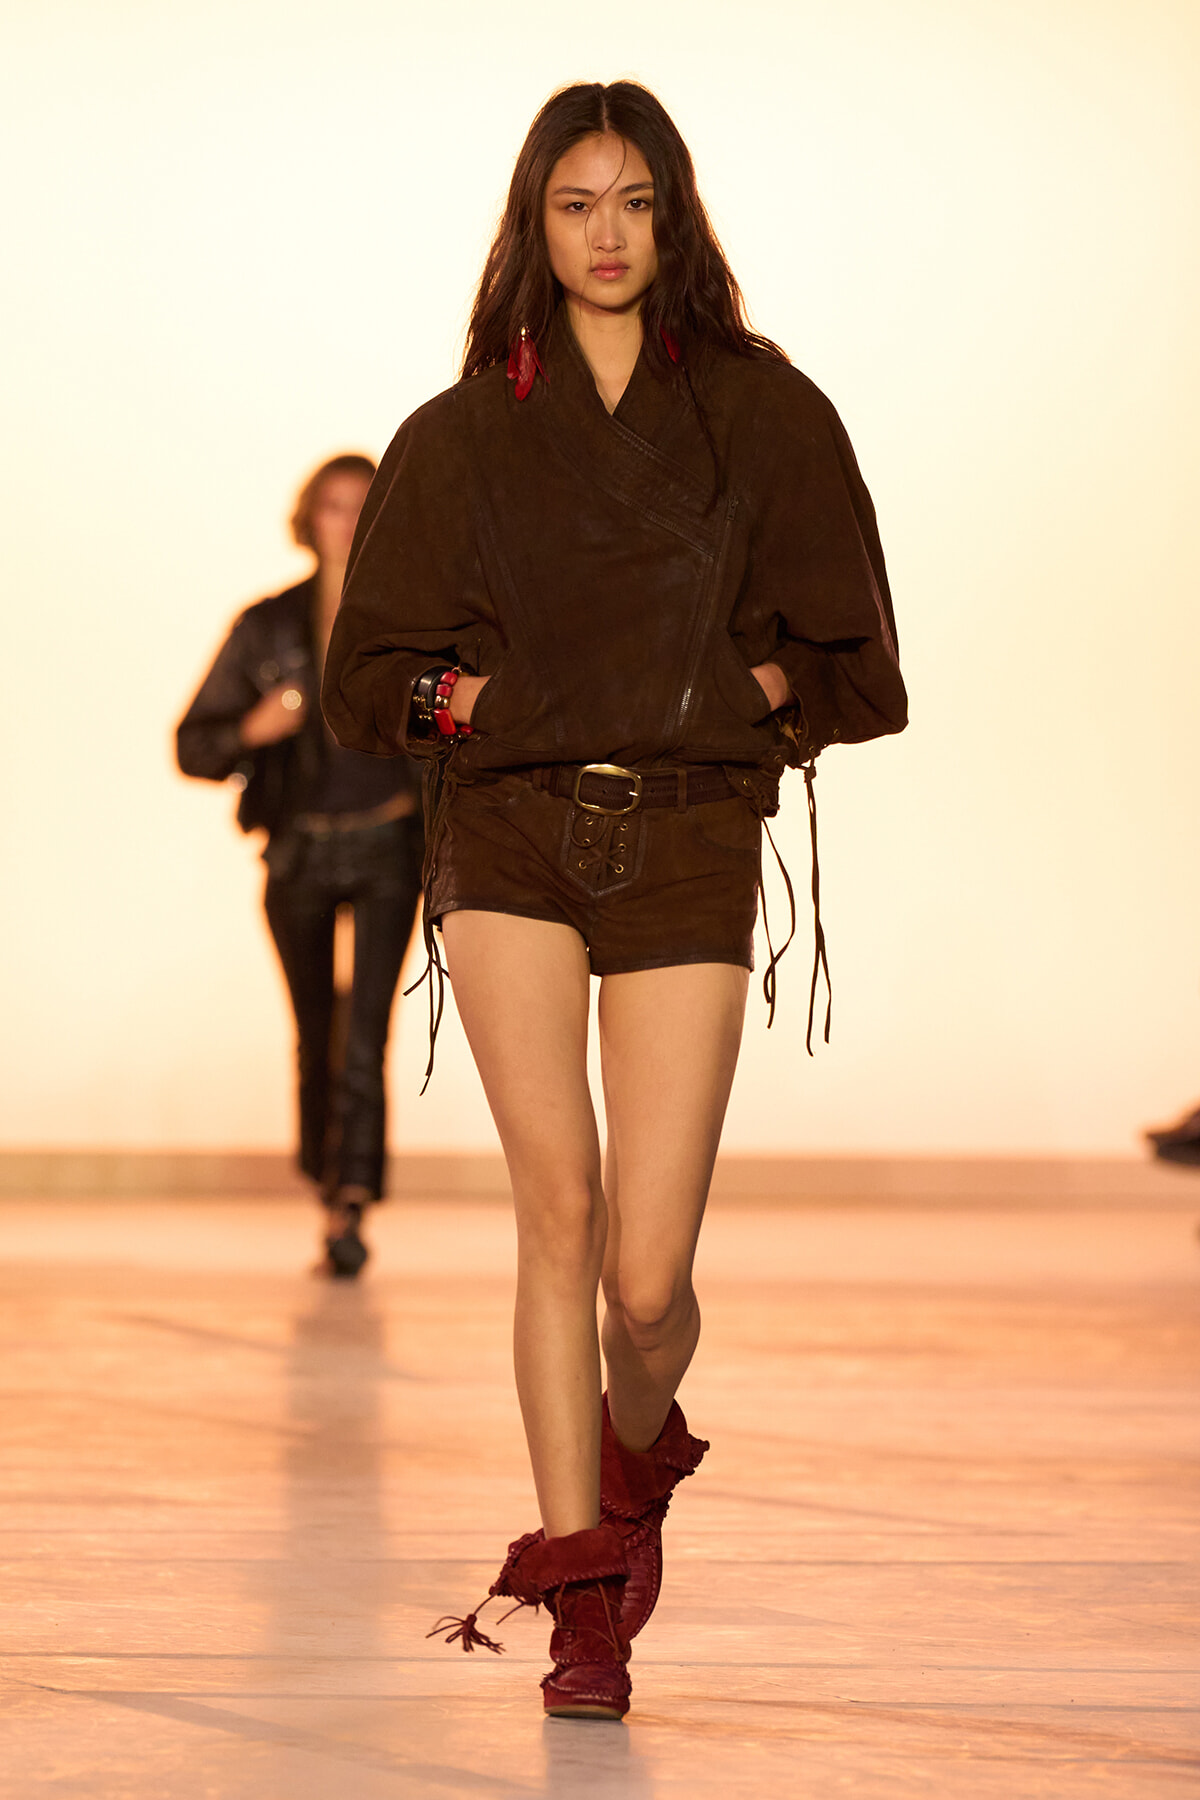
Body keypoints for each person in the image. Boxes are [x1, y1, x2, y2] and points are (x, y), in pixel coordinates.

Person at [323, 82, 908, 1719]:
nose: (604, 233)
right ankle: (581, 1585)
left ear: (675, 216)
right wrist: (480, 711)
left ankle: (633, 1457)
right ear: (534, 218)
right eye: (575, 202)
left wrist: (739, 696)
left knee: (648, 1282)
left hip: (689, 835)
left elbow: (856, 656)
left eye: (634, 200)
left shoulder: (760, 414)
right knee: (557, 1217)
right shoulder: (461, 433)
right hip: (508, 843)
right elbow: (375, 675)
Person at [177, 455, 424, 1278]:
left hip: (390, 841)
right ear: (309, 518)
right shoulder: (268, 625)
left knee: (364, 1038)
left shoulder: (413, 619)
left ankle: (350, 1201)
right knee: (316, 1033)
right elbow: (194, 744)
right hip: (301, 850)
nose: (348, 524)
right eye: (333, 508)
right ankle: (329, 1186)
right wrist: (256, 727)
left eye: (363, 508)